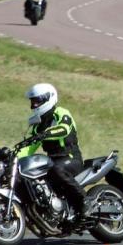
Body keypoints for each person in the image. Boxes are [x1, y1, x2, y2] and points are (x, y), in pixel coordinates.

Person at [18, 83, 94, 221]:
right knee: (34, 179)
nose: (33, 105)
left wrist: (45, 134)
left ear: (48, 98)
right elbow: (29, 148)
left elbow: (64, 128)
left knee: (56, 169)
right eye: (32, 102)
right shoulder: (37, 126)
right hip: (52, 161)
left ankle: (84, 200)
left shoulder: (60, 112)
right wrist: (11, 156)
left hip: (70, 157)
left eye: (37, 101)